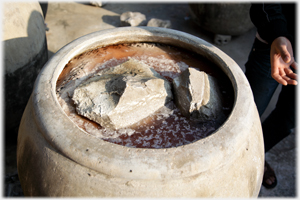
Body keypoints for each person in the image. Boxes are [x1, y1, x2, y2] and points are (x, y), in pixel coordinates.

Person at [245, 3, 297, 189]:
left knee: (286, 121)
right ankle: (231, 158)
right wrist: (278, 34)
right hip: (274, 44)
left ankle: (255, 155)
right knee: (244, 113)